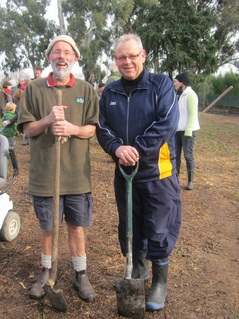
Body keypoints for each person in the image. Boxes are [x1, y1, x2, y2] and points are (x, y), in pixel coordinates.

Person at [96, 33, 182, 312]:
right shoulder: (110, 92)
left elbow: (166, 123)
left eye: (132, 56)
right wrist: (118, 149)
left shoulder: (161, 85)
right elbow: (102, 127)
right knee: (130, 227)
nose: (127, 61)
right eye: (122, 57)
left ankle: (159, 281)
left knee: (159, 228)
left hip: (158, 174)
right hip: (125, 174)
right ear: (115, 61)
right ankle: (138, 269)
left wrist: (137, 149)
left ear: (143, 55)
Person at [17, 34, 99, 302]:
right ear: (49, 57)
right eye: (56, 52)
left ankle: (80, 273)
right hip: (45, 175)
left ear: (75, 58)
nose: (61, 56)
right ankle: (47, 271)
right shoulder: (34, 88)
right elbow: (28, 129)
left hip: (76, 175)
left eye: (67, 52)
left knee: (76, 226)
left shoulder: (86, 90)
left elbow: (92, 129)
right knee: (48, 228)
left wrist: (73, 128)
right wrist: (49, 119)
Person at [173, 72, 200, 190]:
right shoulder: (178, 94)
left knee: (188, 155)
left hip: (188, 131)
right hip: (177, 130)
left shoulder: (191, 95)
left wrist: (188, 130)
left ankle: (190, 181)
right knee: (176, 156)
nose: (174, 83)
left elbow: (193, 114)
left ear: (182, 82)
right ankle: (175, 179)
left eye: (175, 81)